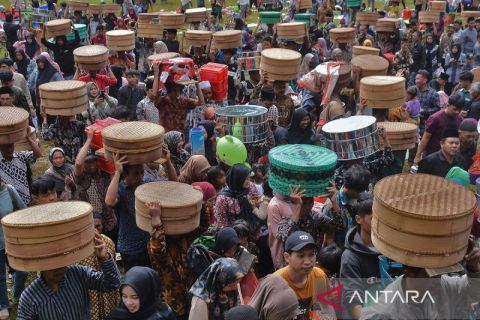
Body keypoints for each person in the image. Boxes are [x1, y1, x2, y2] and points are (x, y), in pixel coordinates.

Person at [361, 238, 480, 319]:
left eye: (439, 274)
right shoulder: (387, 310)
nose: (438, 281)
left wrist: (473, 269)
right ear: (410, 275)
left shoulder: (443, 285)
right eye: (430, 277)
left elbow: (472, 292)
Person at [17, 232, 120, 319]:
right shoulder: (29, 298)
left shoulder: (78, 273)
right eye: (52, 265)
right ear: (41, 266)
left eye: (62, 262)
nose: (58, 268)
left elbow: (112, 283)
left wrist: (104, 258)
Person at [148, 189, 212, 320]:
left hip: (190, 291)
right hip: (172, 299)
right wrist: (156, 220)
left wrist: (200, 203)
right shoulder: (156, 241)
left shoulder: (186, 236)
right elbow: (158, 250)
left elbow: (203, 226)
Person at [340, 193, 381, 320]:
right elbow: (352, 298)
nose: (379, 224)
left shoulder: (390, 248)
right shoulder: (350, 258)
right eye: (373, 219)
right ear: (358, 219)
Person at [275, 231, 331, 320]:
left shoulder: (318, 275)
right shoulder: (276, 282)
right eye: (301, 256)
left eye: (311, 255)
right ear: (287, 257)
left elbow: (324, 309)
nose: (308, 262)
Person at [74, 129, 117, 240]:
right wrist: (89, 140)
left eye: (93, 161)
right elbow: (78, 163)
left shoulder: (104, 173)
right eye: (88, 162)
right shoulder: (81, 178)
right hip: (93, 226)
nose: (92, 165)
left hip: (110, 222)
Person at [79, 212, 118, 320]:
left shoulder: (108, 242)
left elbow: (114, 270)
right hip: (89, 292)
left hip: (107, 290)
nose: (95, 230)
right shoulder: (78, 246)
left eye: (98, 226)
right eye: (91, 227)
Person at [0, 177, 27, 320]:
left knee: (22, 271)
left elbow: (23, 210)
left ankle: (18, 295)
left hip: (12, 241)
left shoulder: (9, 190)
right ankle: (3, 305)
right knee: (0, 277)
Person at [108, 266, 176, 320]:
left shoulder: (164, 314)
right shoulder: (117, 316)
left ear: (147, 294)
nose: (128, 302)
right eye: (124, 296)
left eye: (134, 297)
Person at [152, 64, 203, 132]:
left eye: (178, 90)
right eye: (174, 90)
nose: (176, 93)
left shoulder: (183, 101)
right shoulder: (162, 102)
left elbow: (201, 102)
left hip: (180, 138)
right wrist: (156, 75)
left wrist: (197, 83)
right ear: (169, 90)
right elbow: (154, 95)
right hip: (165, 137)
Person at [414, 95, 463, 164]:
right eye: (455, 109)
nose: (457, 112)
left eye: (459, 110)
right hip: (432, 156)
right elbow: (426, 137)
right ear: (447, 105)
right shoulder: (435, 118)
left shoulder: (459, 119)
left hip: (450, 157)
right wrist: (418, 156)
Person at [0, 127, 42, 204]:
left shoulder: (21, 156)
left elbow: (38, 154)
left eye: (11, 146)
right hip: (8, 203)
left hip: (25, 200)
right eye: (5, 147)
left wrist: (28, 138)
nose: (9, 150)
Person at [267, 185, 305, 269]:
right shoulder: (274, 205)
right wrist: (296, 212)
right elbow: (280, 235)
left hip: (300, 248)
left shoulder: (294, 199)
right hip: (284, 253)